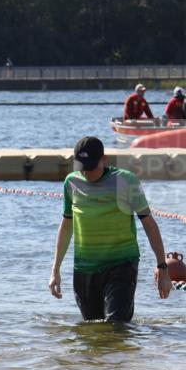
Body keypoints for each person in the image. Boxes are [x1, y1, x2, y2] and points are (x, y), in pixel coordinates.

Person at [49, 136, 172, 323]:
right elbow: (66, 226)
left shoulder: (125, 181)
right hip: (85, 269)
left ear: (103, 159)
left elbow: (149, 223)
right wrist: (55, 269)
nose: (87, 172)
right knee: (93, 330)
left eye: (92, 166)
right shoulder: (71, 182)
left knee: (116, 326)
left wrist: (163, 268)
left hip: (121, 264)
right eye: (83, 167)